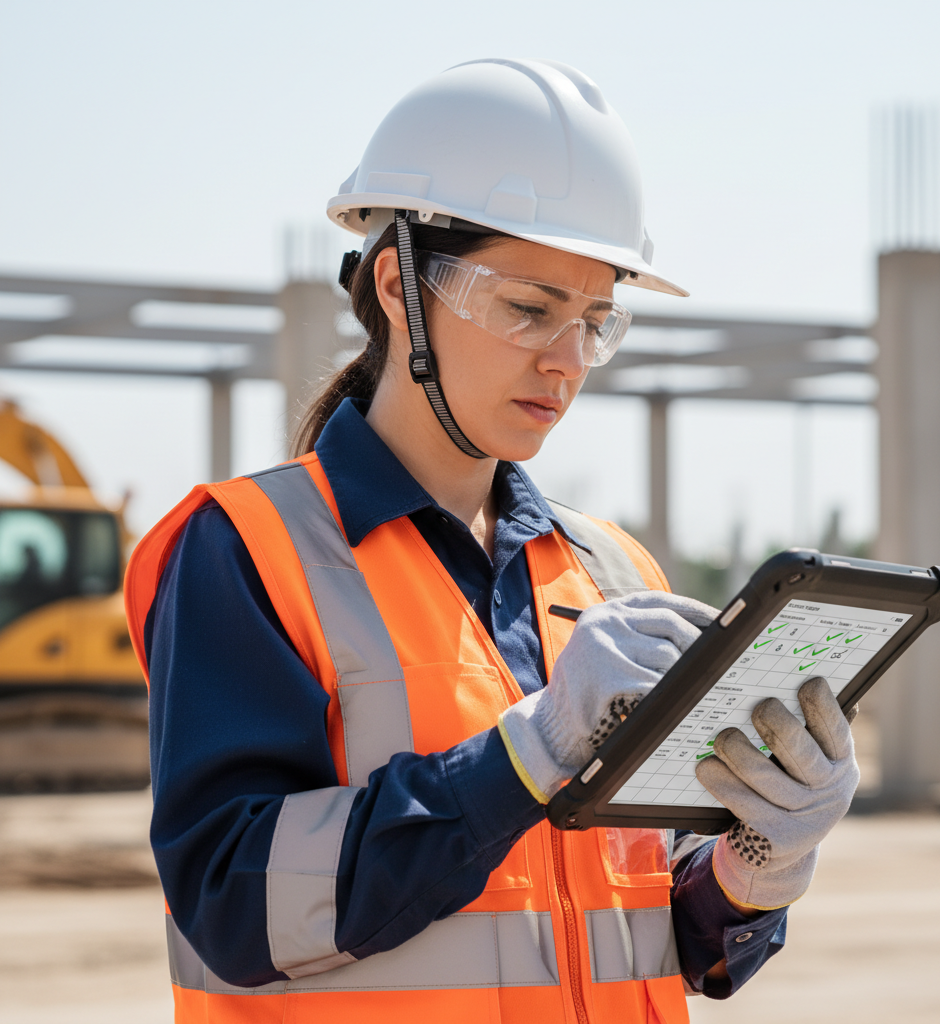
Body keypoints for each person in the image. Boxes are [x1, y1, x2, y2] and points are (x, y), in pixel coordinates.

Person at [125, 58, 860, 1024]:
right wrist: (529, 751)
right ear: (398, 284)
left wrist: (761, 860)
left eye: (595, 321)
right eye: (528, 309)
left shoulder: (613, 575)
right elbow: (235, 904)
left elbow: (662, 933)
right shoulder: (247, 550)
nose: (567, 361)